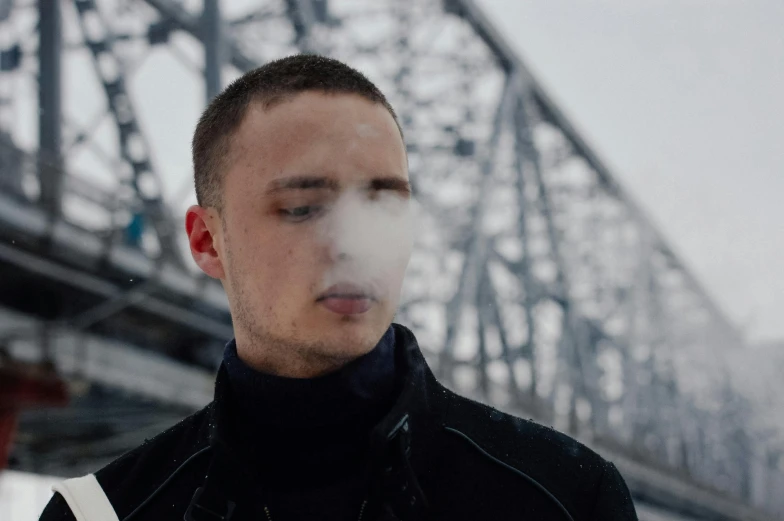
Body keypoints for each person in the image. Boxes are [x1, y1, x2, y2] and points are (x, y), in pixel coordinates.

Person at [39, 54, 638, 521]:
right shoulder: (100, 514)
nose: (353, 242)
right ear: (206, 241)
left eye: (384, 204)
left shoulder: (571, 500)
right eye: (303, 208)